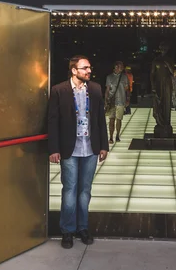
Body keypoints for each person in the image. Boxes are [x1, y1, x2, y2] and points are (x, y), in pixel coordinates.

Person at [48, 55, 109, 249]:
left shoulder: (96, 89)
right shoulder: (59, 91)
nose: (89, 71)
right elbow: (52, 121)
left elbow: (100, 119)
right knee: (69, 190)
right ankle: (67, 231)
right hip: (69, 149)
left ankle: (82, 228)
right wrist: (54, 149)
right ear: (74, 71)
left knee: (85, 191)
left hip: (90, 148)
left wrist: (104, 145)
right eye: (85, 68)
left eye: (89, 68)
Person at [105, 61, 130, 143]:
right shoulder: (109, 77)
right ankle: (111, 137)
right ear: (116, 67)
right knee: (111, 119)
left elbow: (127, 89)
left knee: (119, 119)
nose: (122, 68)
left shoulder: (124, 77)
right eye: (120, 66)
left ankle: (117, 135)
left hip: (121, 100)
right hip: (112, 101)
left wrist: (127, 99)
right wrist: (106, 100)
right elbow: (107, 90)